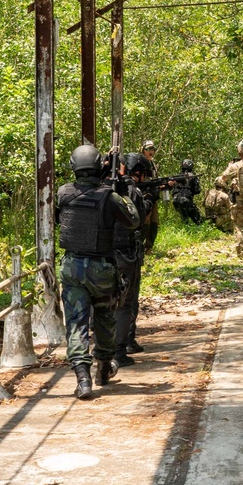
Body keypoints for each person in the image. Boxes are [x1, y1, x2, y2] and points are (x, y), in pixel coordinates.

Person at [56, 144, 139, 399]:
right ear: (99, 166)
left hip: (71, 267)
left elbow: (59, 219)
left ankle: (83, 379)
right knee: (104, 318)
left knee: (76, 323)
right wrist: (121, 190)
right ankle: (103, 368)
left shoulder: (63, 193)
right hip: (101, 268)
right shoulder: (108, 197)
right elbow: (133, 220)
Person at [114, 154, 147, 366]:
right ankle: (122, 347)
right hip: (125, 254)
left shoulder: (94, 189)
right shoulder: (130, 191)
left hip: (99, 254)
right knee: (126, 302)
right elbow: (139, 220)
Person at [139, 139, 160, 250]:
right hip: (144, 196)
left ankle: (149, 247)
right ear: (143, 151)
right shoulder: (140, 162)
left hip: (153, 196)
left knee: (154, 223)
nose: (151, 151)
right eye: (148, 149)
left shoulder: (152, 163)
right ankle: (140, 247)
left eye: (153, 149)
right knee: (145, 223)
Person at [171, 158, 202, 224]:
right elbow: (197, 190)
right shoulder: (193, 176)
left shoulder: (177, 177)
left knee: (184, 215)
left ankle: (185, 227)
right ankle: (196, 227)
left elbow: (173, 190)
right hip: (185, 200)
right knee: (197, 218)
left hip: (175, 200)